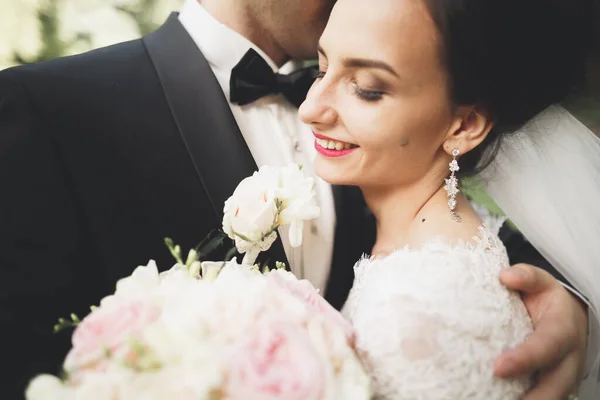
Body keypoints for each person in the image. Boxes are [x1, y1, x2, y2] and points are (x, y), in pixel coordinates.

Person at [0, 0, 593, 397]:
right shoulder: (45, 112)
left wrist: (572, 308)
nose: (313, 107)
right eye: (341, 74)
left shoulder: (412, 59)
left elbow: (501, 246)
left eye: (366, 86)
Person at [298, 0, 599, 398]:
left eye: (368, 90)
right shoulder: (444, 245)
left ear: (465, 125)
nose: (308, 108)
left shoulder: (415, 310)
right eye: (321, 69)